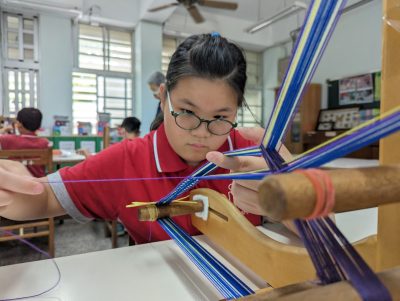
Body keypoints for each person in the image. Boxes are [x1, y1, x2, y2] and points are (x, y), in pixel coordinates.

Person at [0, 33, 283, 244]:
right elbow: (45, 198)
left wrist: (294, 185)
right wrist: (14, 190)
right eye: (186, 111)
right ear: (163, 98)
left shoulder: (252, 154)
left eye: (221, 117)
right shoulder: (127, 160)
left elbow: (315, 231)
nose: (201, 132)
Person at [0, 108, 49, 177]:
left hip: (16, 182)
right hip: (39, 182)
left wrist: (4, 129)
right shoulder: (45, 142)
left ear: (20, 125)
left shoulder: (9, 139)